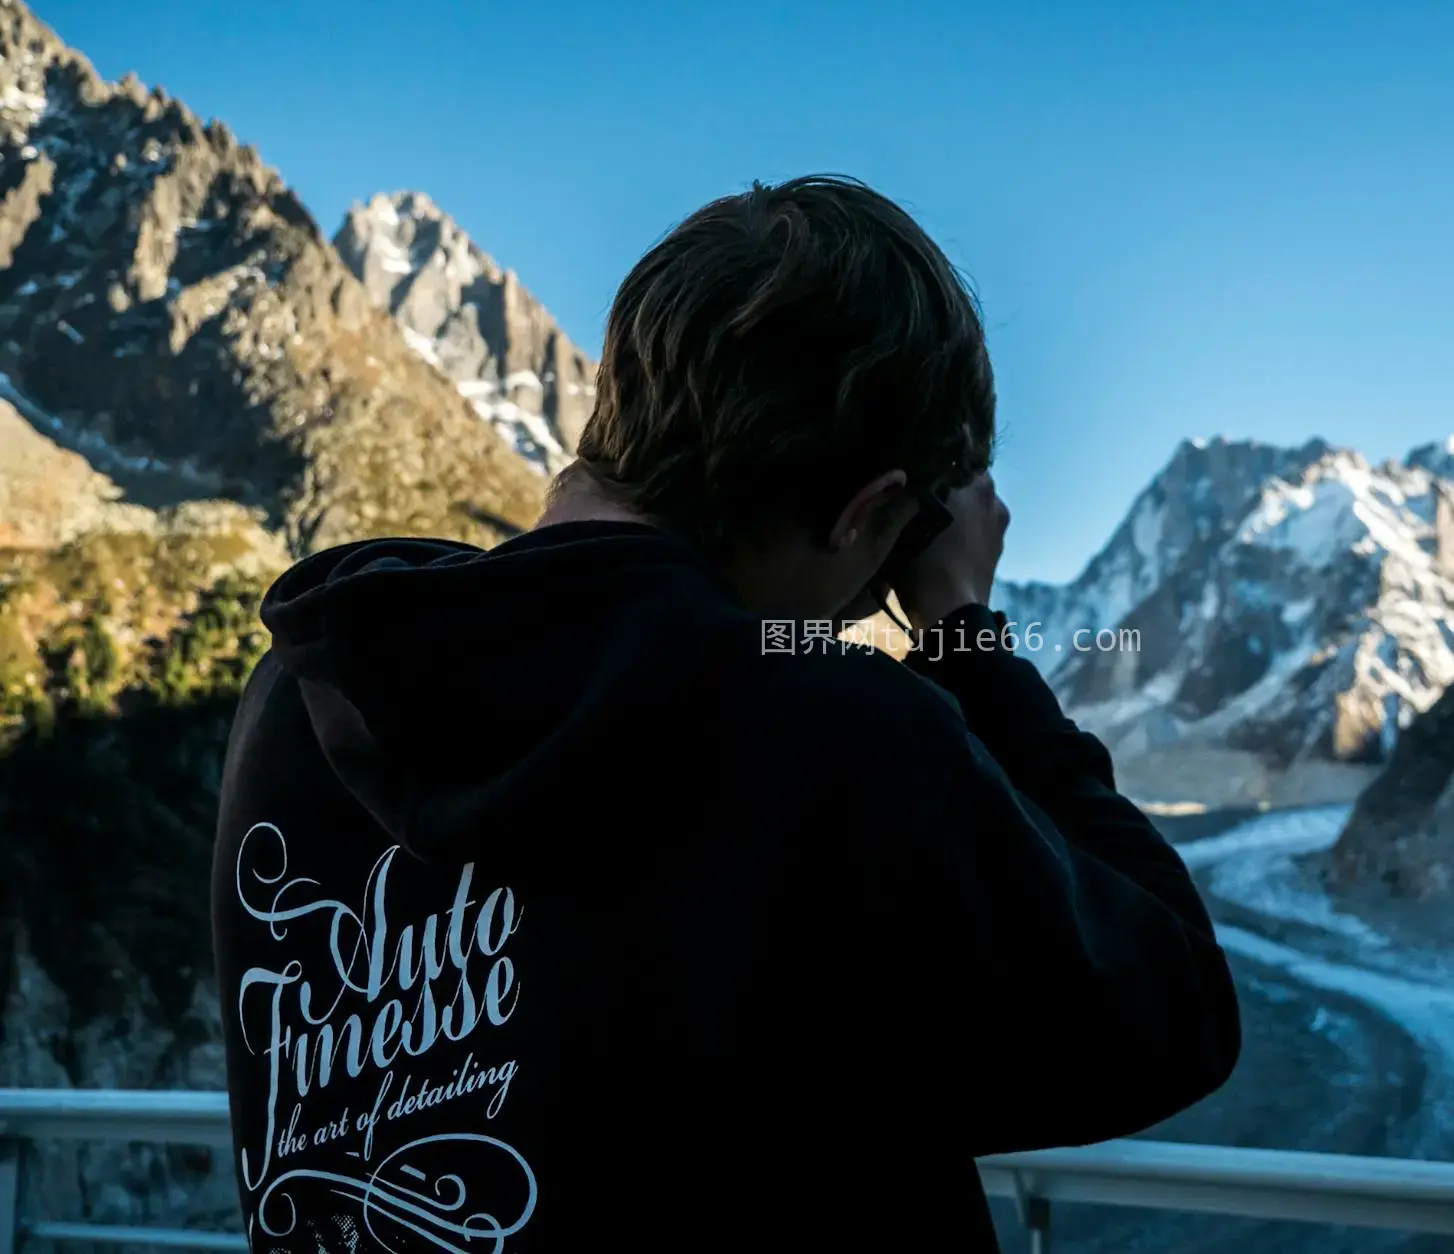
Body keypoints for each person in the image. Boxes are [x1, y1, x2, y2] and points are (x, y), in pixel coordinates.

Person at [210, 173, 1242, 1253]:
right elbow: (1170, 1008)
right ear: (866, 512)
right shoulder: (832, 727)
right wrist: (959, 638)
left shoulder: (308, 687)